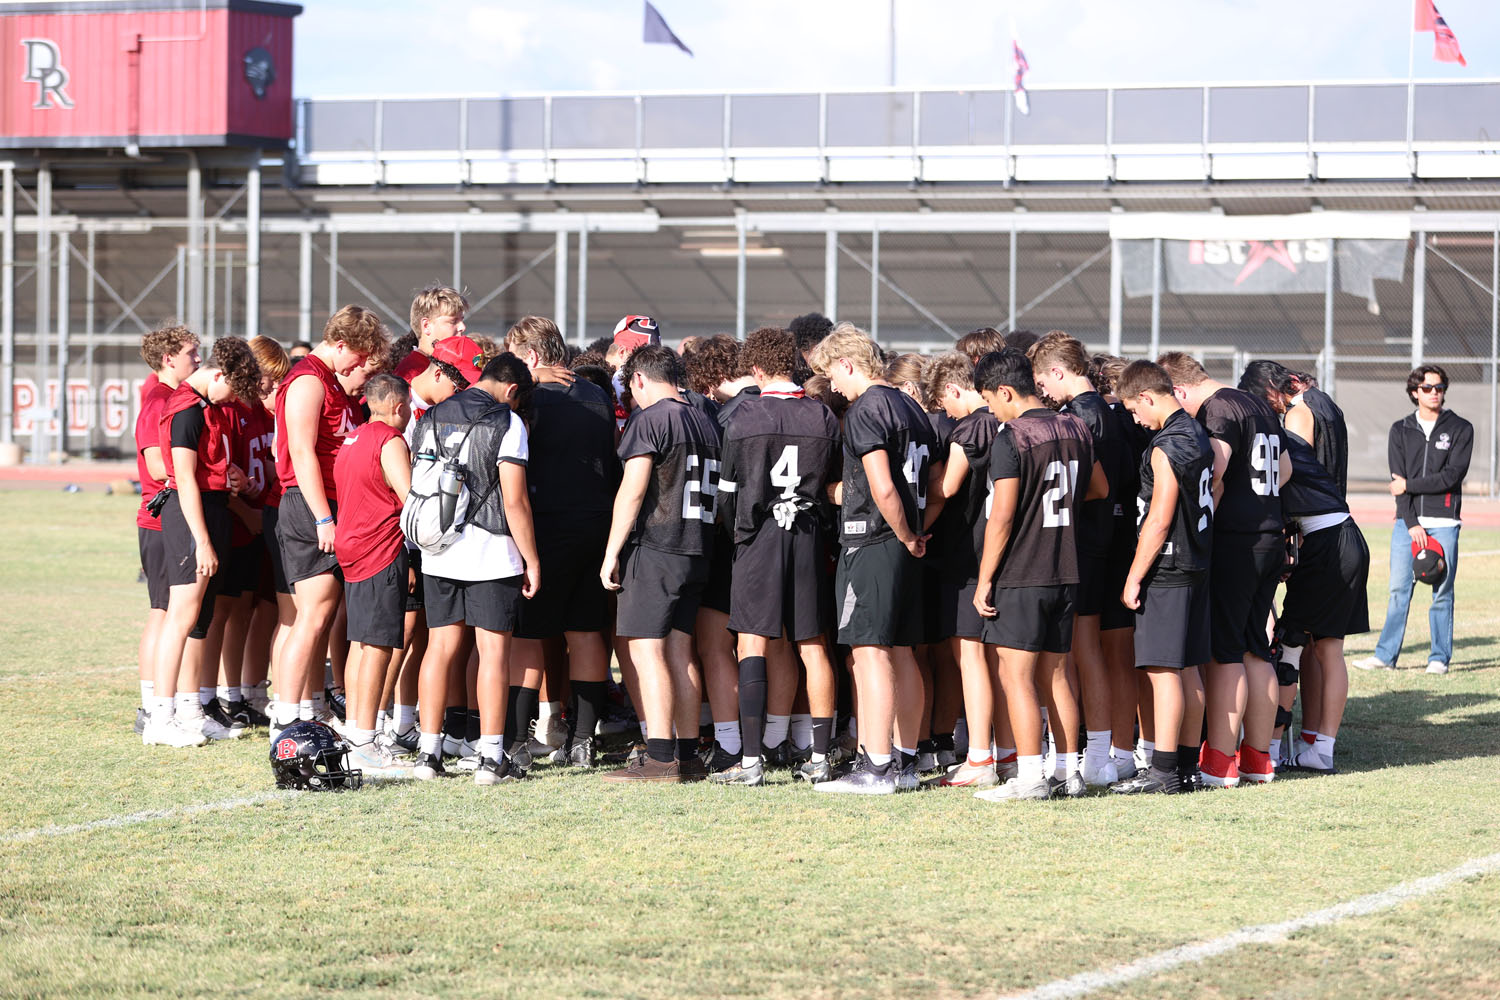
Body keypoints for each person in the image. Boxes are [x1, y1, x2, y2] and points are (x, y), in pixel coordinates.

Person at [971, 349, 1106, 803]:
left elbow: (1002, 516)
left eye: (991, 399)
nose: (991, 409)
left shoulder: (1012, 437)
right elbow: (1100, 488)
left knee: (1016, 676)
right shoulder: (1075, 426)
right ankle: (1069, 773)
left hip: (1024, 571)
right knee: (1057, 676)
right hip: (1066, 568)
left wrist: (985, 578)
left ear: (1006, 391)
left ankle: (1030, 777)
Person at [808, 324, 938, 795]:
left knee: (869, 651)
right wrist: (918, 531)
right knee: (901, 651)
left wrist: (905, 533)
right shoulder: (911, 406)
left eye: (832, 374)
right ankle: (902, 762)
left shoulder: (868, 407)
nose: (834, 386)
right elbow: (937, 481)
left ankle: (877, 765)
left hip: (876, 540)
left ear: (847, 363)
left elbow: (883, 486)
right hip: (906, 542)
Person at [710, 327, 842, 786]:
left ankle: (750, 762)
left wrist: (739, 532)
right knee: (812, 645)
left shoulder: (744, 416)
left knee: (752, 643)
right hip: (807, 534)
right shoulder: (823, 416)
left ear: (758, 368)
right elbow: (832, 484)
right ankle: (821, 759)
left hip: (759, 535)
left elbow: (726, 495)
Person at [1157, 351, 1290, 787]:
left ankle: (1220, 761)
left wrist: (1209, 510)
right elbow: (1283, 469)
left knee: (1226, 652)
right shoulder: (1254, 403)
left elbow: (1214, 467)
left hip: (1237, 540)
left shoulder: (1218, 408)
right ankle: (1258, 758)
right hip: (1270, 534)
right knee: (1256, 648)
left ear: (1179, 390)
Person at [407, 353, 540, 785]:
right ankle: (490, 757)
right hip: (491, 550)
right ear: (513, 390)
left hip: (438, 547)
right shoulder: (508, 422)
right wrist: (532, 559)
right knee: (493, 653)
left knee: (439, 649)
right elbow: (515, 501)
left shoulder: (429, 416)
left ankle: (428, 753)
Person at [1239, 361, 1369, 775]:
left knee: (1290, 645)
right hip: (1343, 533)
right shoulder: (1327, 405)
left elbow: (1287, 469)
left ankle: (1272, 747)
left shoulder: (1297, 414)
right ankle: (1318, 745)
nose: (1269, 410)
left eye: (1266, 400)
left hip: (1325, 539)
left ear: (1277, 389)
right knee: (1328, 647)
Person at [599, 345, 722, 783]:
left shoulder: (652, 418)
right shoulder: (705, 417)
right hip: (697, 547)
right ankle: (687, 755)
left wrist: (612, 552)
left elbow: (632, 492)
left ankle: (661, 756)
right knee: (679, 648)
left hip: (657, 545)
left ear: (639, 381)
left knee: (646, 648)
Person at [506, 316, 621, 767]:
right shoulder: (595, 393)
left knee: (529, 634)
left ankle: (516, 739)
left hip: (544, 522)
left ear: (531, 357)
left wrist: (527, 382)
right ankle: (582, 741)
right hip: (594, 519)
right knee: (586, 631)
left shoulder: (529, 396)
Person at [271, 306, 388, 738]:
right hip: (311, 505)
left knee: (320, 614)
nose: (359, 369)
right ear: (339, 345)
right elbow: (299, 452)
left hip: (331, 503)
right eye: (357, 359)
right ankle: (285, 716)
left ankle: (303, 707)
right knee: (313, 614)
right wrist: (322, 516)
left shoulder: (328, 380)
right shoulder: (307, 379)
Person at [143, 338, 263, 748]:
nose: (232, 400)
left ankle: (191, 711)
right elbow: (183, 482)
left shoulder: (207, 406)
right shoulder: (185, 410)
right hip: (189, 516)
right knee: (181, 616)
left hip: (212, 511)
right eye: (232, 390)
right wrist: (203, 542)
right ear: (218, 376)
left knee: (200, 619)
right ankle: (160, 716)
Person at [1030, 331, 1134, 787]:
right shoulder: (1111, 412)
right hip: (1111, 541)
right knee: (1101, 653)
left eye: (1043, 381)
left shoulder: (1079, 417)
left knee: (1078, 651)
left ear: (1058, 371)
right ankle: (1106, 755)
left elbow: (1096, 486)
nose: (1043, 393)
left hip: (1084, 545)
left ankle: (1087, 758)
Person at [1109, 361, 1213, 795]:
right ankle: (1186, 768)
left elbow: (1158, 518)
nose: (1135, 419)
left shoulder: (1165, 445)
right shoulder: (1198, 433)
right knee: (1188, 669)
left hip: (1169, 566)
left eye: (1134, 410)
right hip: (1197, 562)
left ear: (1147, 398)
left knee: (1163, 671)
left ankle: (1164, 772)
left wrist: (1134, 576)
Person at [924, 351, 1008, 789]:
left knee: (969, 656)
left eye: (943, 402)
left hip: (969, 554)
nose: (944, 412)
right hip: (999, 553)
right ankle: (1006, 752)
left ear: (956, 390)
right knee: (996, 659)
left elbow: (947, 487)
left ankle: (979, 756)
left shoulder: (972, 425)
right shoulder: (1005, 421)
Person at [1356, 364, 1472, 675]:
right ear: (1414, 393)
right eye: (1428, 388)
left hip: (1445, 522)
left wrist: (1409, 485)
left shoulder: (1461, 429)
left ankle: (1438, 658)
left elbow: (1451, 477)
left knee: (1442, 591)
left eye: (1439, 388)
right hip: (1407, 524)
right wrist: (1412, 524)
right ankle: (1385, 655)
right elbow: (1397, 483)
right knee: (1398, 590)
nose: (1435, 393)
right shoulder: (1400, 429)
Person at [333, 373, 415, 777]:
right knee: (379, 646)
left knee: (361, 644)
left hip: (352, 546)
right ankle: (365, 741)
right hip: (380, 548)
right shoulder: (390, 440)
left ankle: (355, 733)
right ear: (399, 406)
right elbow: (410, 499)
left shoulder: (352, 438)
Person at [133, 325, 201, 735]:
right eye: (191, 352)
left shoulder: (172, 397)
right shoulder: (157, 400)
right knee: (162, 612)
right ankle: (151, 707)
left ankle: (161, 704)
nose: (197, 357)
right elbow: (159, 466)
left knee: (166, 612)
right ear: (168, 359)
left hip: (167, 518)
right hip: (159, 520)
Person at [410, 284, 468, 356]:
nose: (463, 327)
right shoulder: (413, 366)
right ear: (426, 326)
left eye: (461, 320)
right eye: (453, 321)